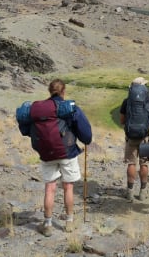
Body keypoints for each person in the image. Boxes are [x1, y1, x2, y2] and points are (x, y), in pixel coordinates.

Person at [30, 79, 92, 236]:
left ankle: (48, 224)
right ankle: (69, 222)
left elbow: (27, 130)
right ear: (63, 91)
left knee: (50, 188)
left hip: (46, 153)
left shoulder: (38, 109)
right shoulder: (68, 108)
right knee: (68, 187)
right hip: (67, 152)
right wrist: (85, 140)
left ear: (49, 91)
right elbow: (86, 134)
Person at [119, 77, 149, 202]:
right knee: (144, 164)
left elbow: (122, 120)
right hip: (145, 137)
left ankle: (129, 192)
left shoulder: (127, 101)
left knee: (131, 163)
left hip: (130, 137)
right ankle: (142, 192)